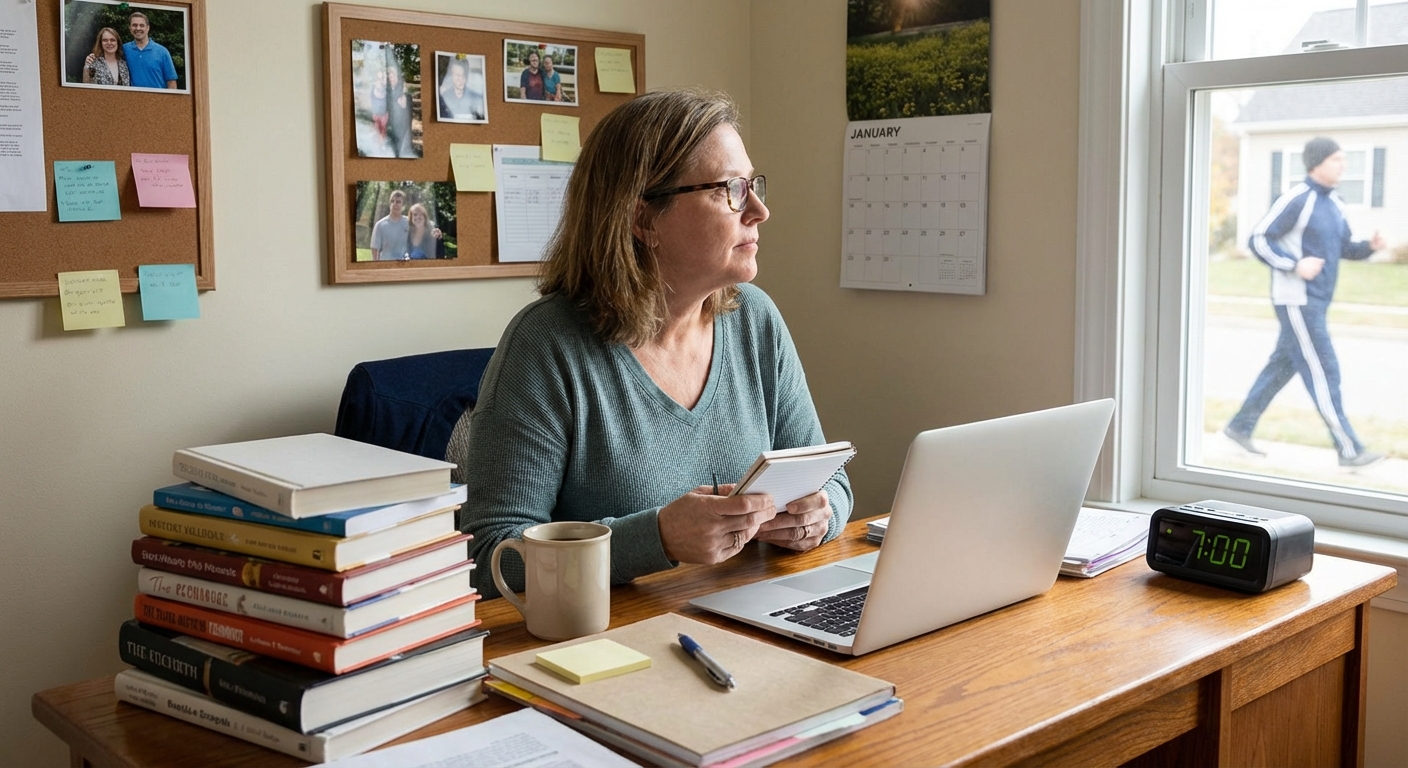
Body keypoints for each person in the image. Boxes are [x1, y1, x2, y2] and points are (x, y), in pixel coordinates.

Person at [459, 89, 850, 599]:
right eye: (730, 189)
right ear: (644, 219)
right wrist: (657, 537)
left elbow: (833, 483)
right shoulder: (545, 346)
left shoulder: (756, 320)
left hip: (752, 617)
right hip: (607, 652)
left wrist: (820, 515)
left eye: (752, 185)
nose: (758, 210)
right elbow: (491, 559)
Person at [1224, 137, 1387, 468]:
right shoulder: (1297, 199)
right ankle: (1350, 449)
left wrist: (1369, 247)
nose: (1344, 165)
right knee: (1324, 369)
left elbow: (1343, 248)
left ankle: (1239, 426)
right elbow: (1258, 238)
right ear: (1317, 163)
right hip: (1296, 299)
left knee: (1282, 365)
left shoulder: (1336, 204)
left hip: (1317, 300)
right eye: (1338, 160)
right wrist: (1293, 264)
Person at [121, 11, 177, 89]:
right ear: (130, 28)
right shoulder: (124, 49)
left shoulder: (162, 51)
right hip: (132, 99)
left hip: (157, 99)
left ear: (148, 28)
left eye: (141, 25)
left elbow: (171, 82)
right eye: (134, 25)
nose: (138, 28)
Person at [438, 57, 485, 121]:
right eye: (457, 75)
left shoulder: (477, 99)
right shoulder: (444, 98)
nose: (461, 78)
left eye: (463, 74)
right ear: (451, 76)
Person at [384, 59, 415, 158]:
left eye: (393, 74)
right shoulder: (385, 94)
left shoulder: (405, 96)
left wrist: (405, 103)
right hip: (389, 136)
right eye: (389, 75)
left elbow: (409, 119)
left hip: (403, 138)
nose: (391, 77)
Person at [369, 190, 409, 261]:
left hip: (404, 266)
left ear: (403, 206)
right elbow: (375, 250)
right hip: (386, 265)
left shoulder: (409, 223)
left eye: (398, 202)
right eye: (392, 201)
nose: (394, 204)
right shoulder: (380, 225)